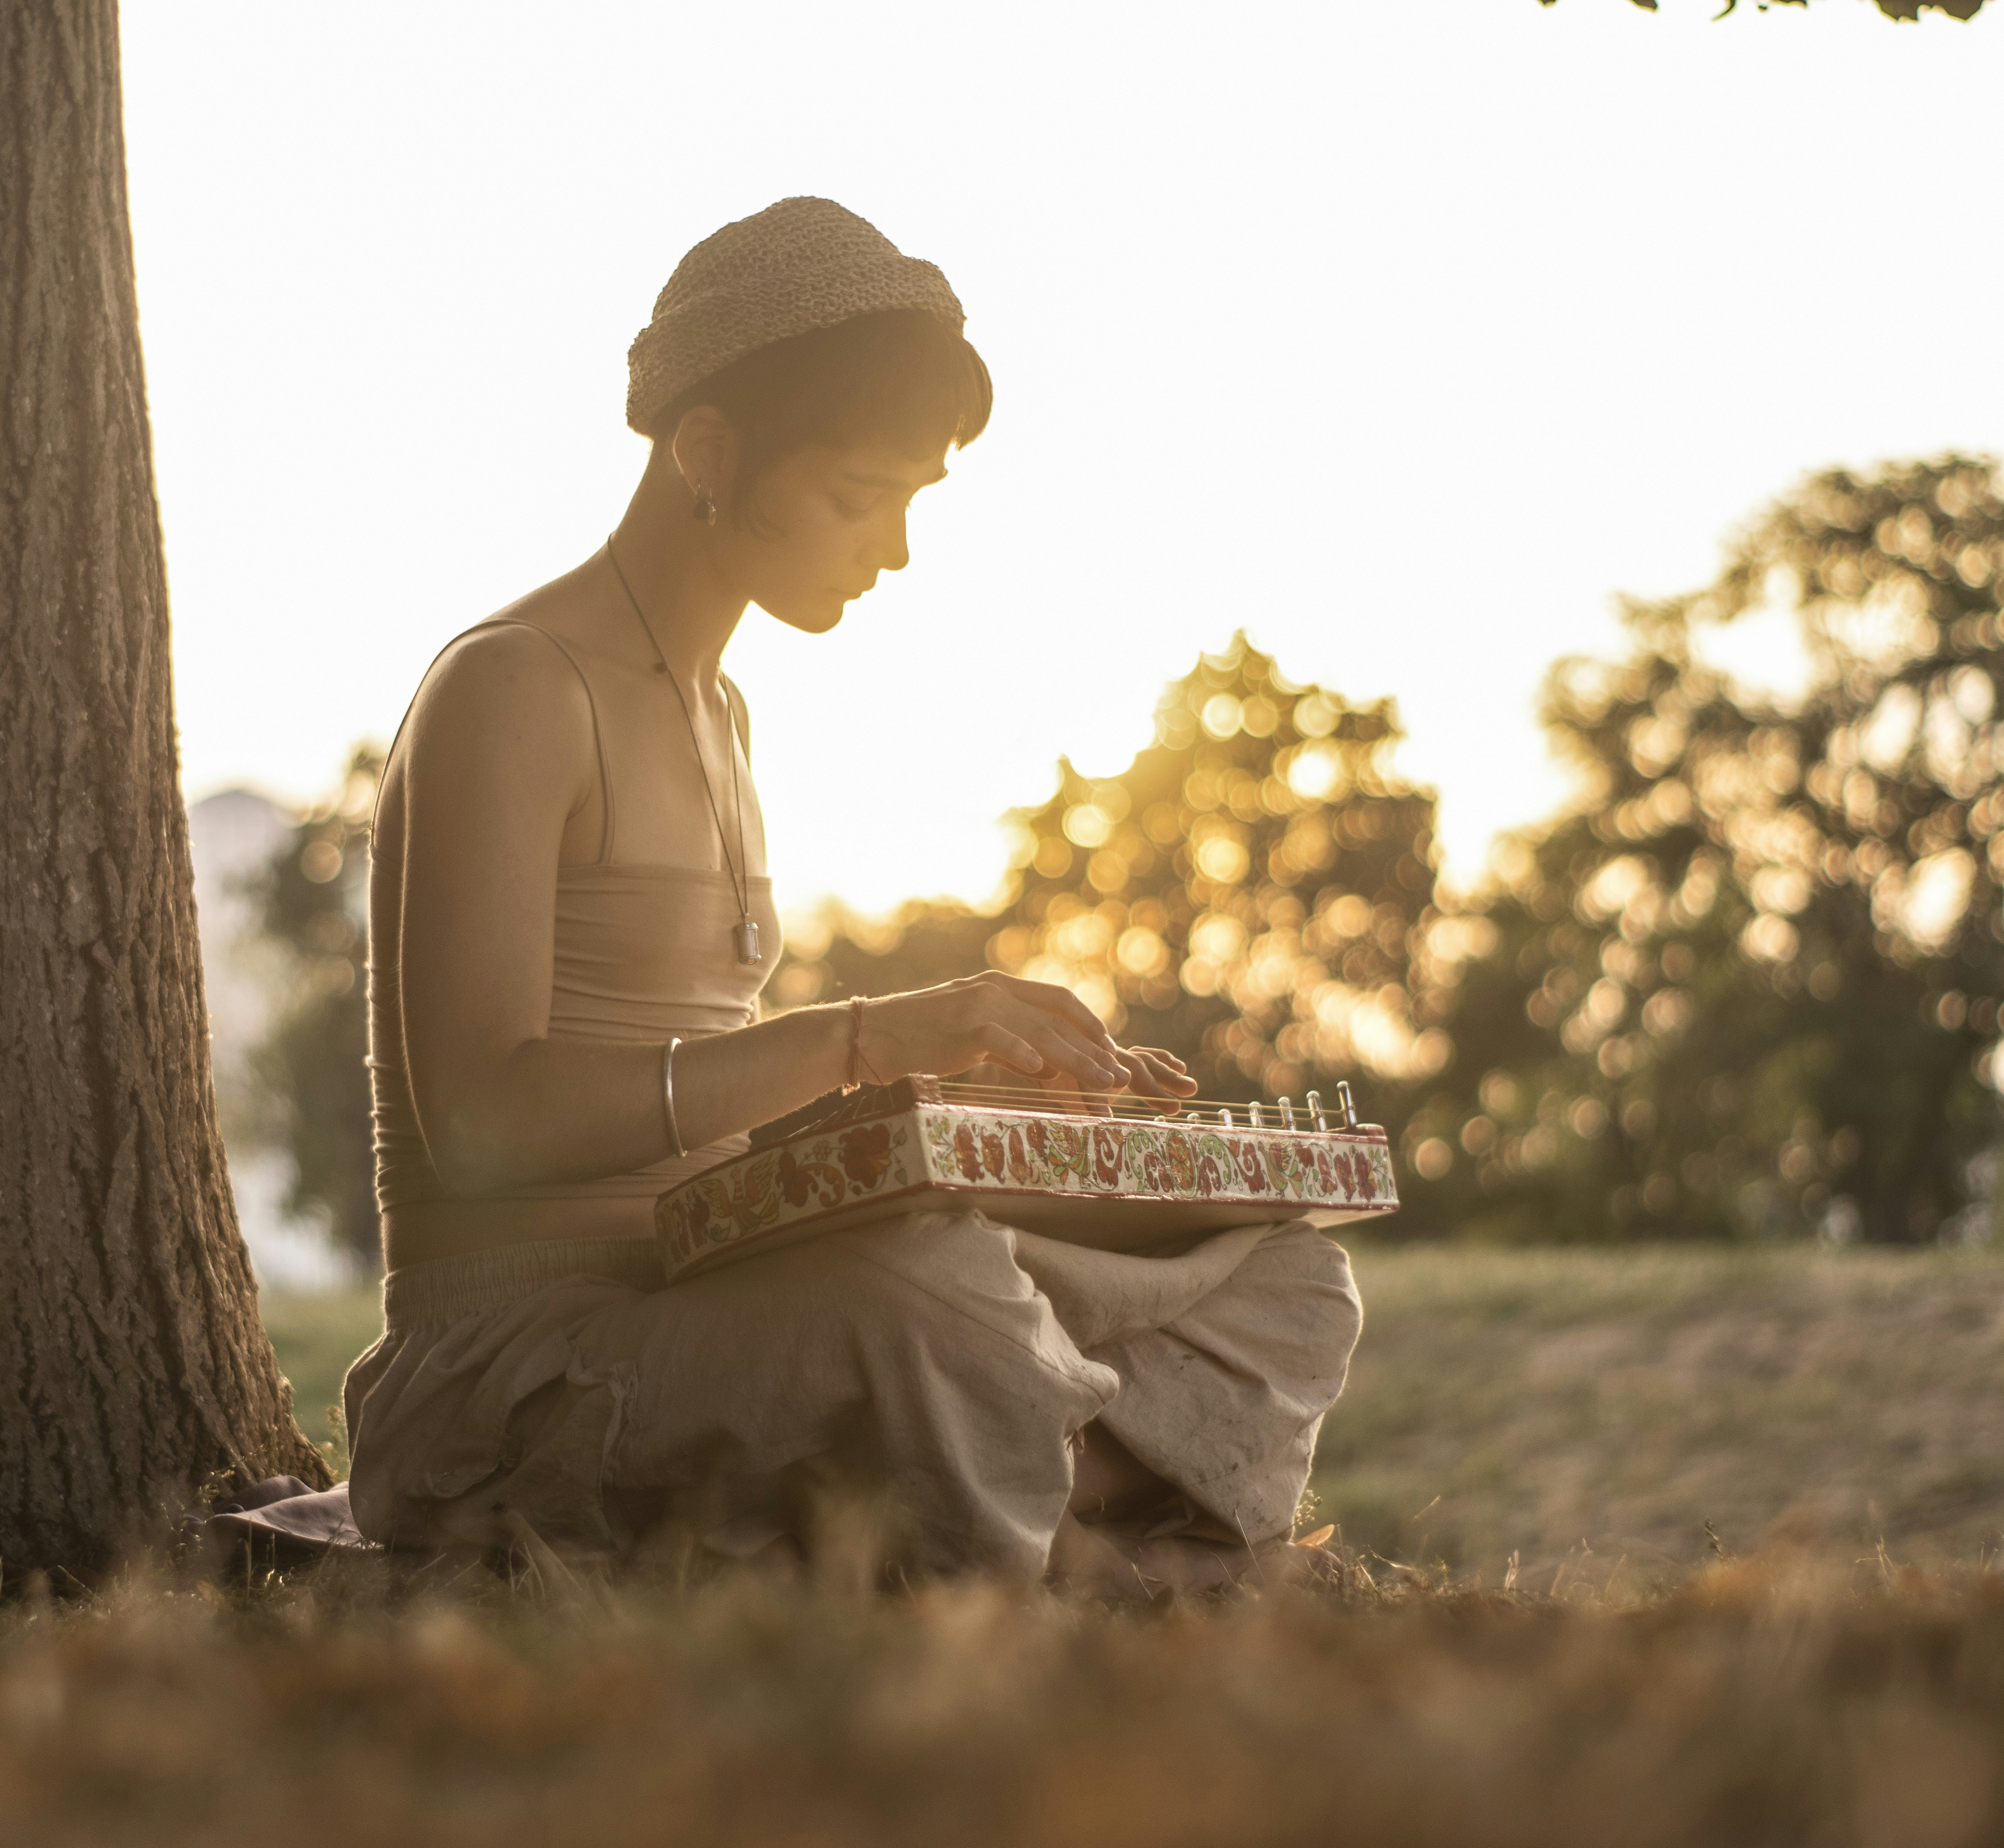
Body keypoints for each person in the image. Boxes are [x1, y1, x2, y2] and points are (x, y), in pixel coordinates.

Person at [321, 199, 1363, 1587]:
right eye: (858, 498)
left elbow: (708, 1119)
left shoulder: (722, 710)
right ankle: (1087, 1534)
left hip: (721, 1298)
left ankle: (1025, 1493)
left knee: (1277, 1273)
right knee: (928, 1298)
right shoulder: (514, 687)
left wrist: (971, 1114)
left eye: (913, 503)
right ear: (708, 451)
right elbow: (482, 1123)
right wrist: (872, 1038)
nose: (894, 550)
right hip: (512, 1364)